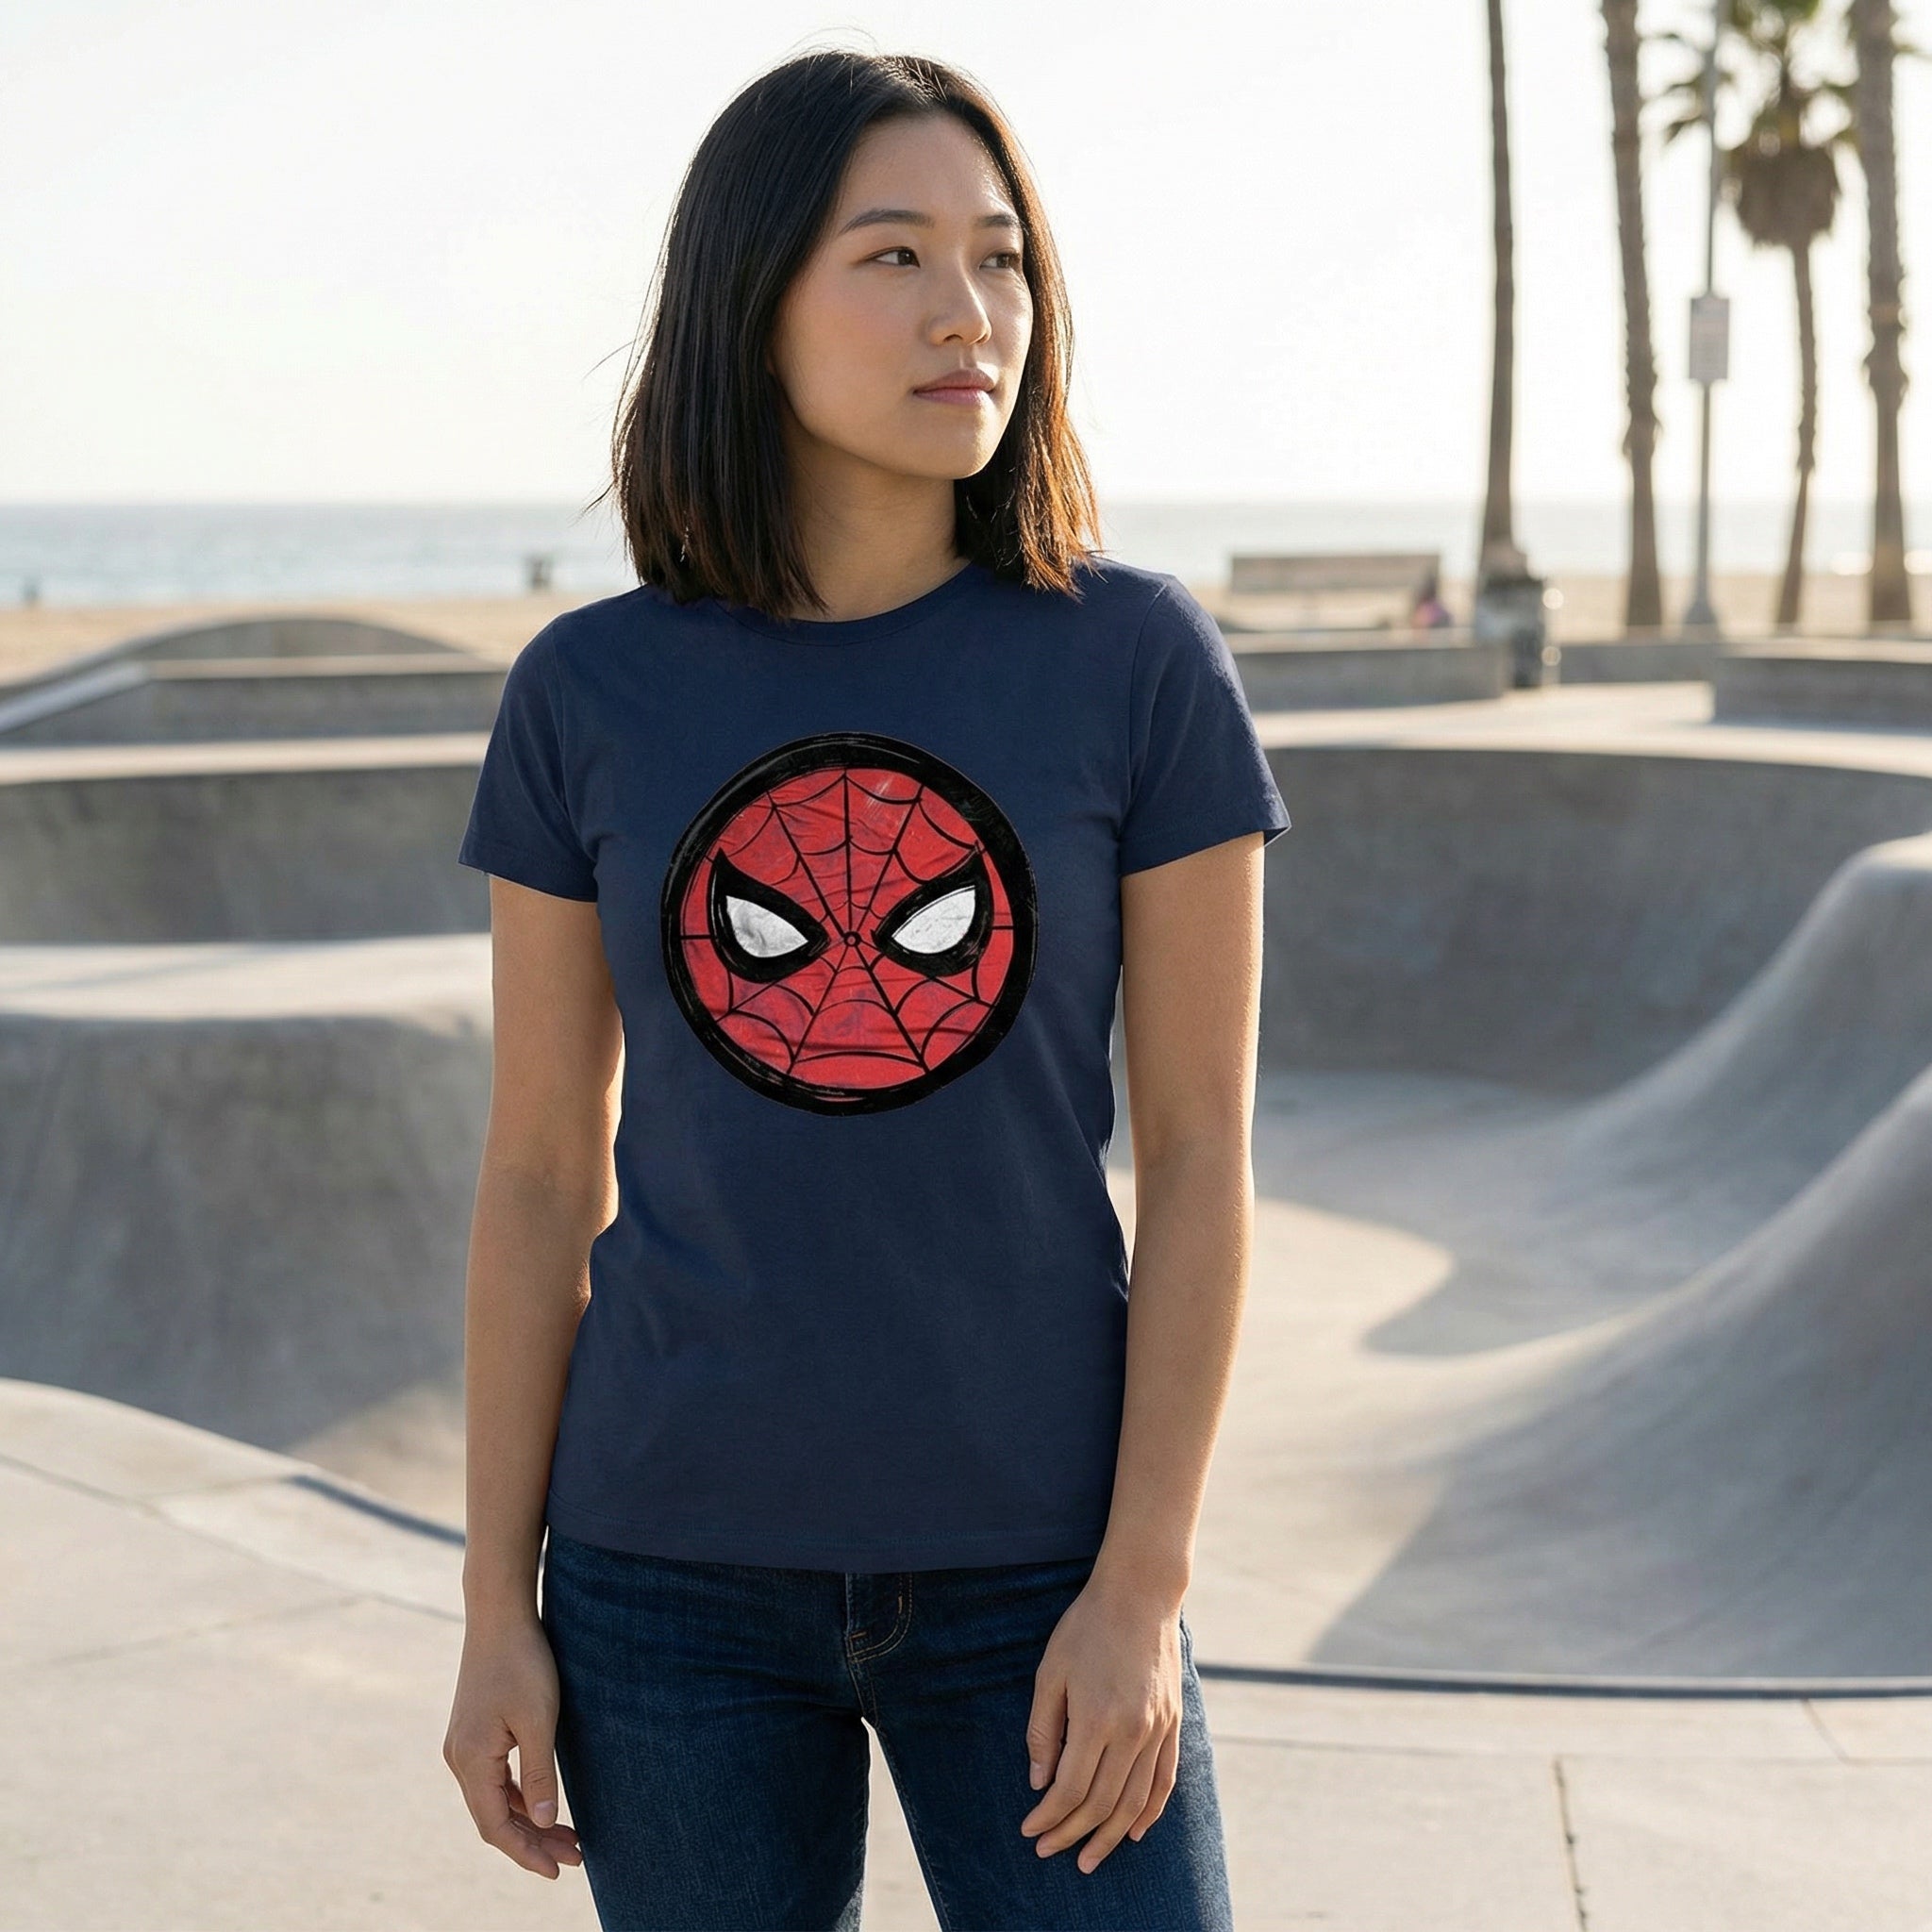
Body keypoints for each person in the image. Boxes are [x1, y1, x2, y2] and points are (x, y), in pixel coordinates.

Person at [441, 45, 1291, 1932]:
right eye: (891, 255)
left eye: (999, 258)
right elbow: (529, 1179)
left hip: (1042, 1570)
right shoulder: (587, 695)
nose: (965, 310)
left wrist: (1141, 1585)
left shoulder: (1136, 663)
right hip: (667, 1578)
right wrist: (496, 1603)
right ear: (752, 305)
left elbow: (1201, 1159)